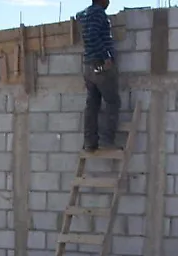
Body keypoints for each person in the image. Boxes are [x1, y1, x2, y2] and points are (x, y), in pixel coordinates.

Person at [77, 0, 120, 153]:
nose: (109, 2)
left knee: (93, 104)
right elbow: (92, 34)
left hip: (89, 66)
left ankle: (90, 142)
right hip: (100, 65)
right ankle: (107, 140)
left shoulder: (84, 14)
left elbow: (79, 17)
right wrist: (106, 56)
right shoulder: (98, 13)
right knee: (113, 101)